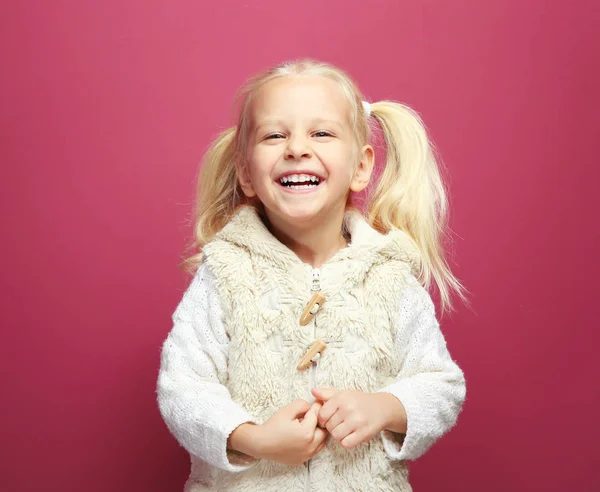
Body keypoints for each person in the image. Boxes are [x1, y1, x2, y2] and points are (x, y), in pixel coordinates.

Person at [157, 59, 467, 492]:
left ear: (361, 167)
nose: (296, 148)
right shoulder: (225, 272)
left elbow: (441, 385)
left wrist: (387, 406)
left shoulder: (390, 276)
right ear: (246, 172)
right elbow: (183, 387)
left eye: (320, 133)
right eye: (274, 135)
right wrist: (254, 439)